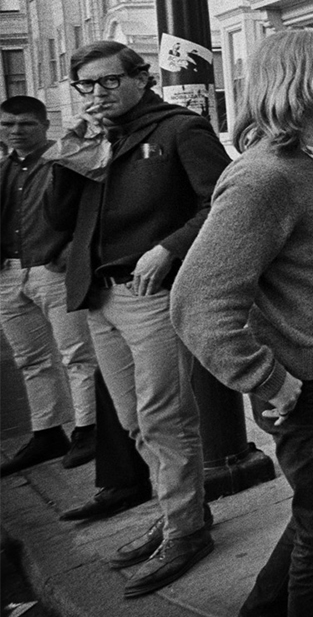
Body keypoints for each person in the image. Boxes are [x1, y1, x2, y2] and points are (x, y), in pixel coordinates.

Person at [171, 29, 313, 616]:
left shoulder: (312, 165)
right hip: (301, 388)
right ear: (290, 82)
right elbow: (197, 302)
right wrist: (267, 379)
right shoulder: (264, 176)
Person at [44, 41, 222, 598]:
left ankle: (185, 530)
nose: (98, 94)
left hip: (151, 294)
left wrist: (169, 247)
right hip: (100, 297)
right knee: (133, 421)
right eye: (87, 85)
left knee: (164, 417)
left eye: (108, 81)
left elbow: (222, 202)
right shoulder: (95, 138)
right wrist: (71, 154)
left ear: (140, 78)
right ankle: (181, 510)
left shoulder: (178, 130)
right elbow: (56, 219)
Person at [1, 95, 97, 475]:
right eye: (8, 125)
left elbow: (90, 206)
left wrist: (73, 247)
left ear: (43, 125)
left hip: (52, 268)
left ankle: (88, 428)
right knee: (31, 359)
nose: (16, 132)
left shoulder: (63, 160)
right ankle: (47, 431)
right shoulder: (4, 169)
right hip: (9, 272)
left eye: (25, 124)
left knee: (76, 353)